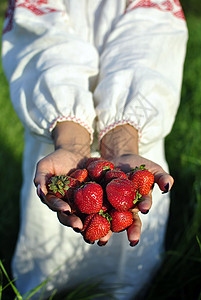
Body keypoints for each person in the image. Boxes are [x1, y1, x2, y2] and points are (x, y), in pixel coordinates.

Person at [1, 0, 188, 299]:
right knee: (48, 246)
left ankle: (124, 289)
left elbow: (150, 38)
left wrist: (124, 139)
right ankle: (46, 288)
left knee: (123, 267)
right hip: (58, 135)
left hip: (131, 136)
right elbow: (41, 34)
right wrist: (70, 137)